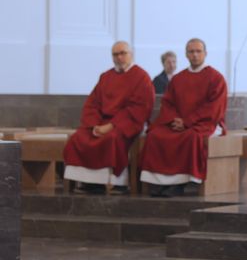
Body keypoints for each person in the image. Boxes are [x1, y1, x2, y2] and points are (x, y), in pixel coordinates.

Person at [63, 42, 155, 194]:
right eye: (115, 54)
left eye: (123, 53)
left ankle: (118, 183)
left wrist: (112, 125)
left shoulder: (141, 77)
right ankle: (90, 183)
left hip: (126, 123)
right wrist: (93, 125)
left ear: (131, 54)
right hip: (101, 123)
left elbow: (139, 108)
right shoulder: (106, 77)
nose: (119, 57)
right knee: (78, 138)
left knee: (112, 138)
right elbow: (93, 103)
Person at [139, 38, 228, 197]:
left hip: (205, 123)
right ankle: (160, 182)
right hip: (178, 123)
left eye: (198, 51)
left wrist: (187, 122)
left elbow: (214, 107)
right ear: (186, 55)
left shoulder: (216, 78)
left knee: (191, 137)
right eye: (191, 51)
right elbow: (168, 103)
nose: (194, 55)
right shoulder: (178, 78)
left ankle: (183, 183)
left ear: (205, 54)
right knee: (155, 135)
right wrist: (175, 120)